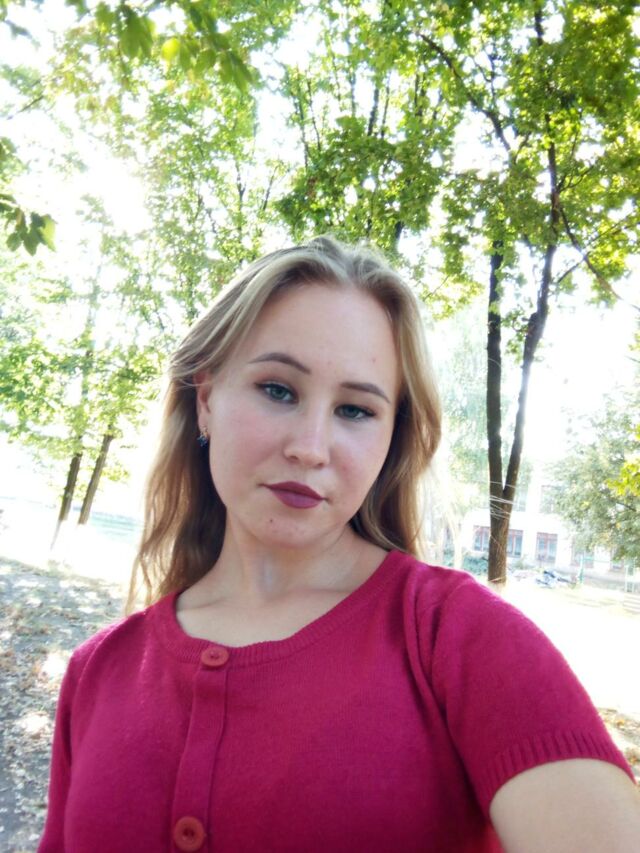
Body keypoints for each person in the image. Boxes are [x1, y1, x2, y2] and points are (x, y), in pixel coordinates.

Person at [39, 237, 639, 852]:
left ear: (391, 440)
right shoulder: (97, 671)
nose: (310, 447)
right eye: (278, 389)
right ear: (207, 399)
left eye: (355, 410)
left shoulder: (462, 639)